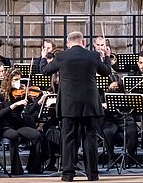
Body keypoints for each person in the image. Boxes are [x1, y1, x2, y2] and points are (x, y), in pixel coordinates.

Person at [40, 31, 111, 182]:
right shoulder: (93, 55)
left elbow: (44, 71)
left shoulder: (61, 56)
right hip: (89, 105)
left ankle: (68, 174)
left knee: (68, 139)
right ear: (83, 42)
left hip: (69, 105)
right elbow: (106, 72)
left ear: (68, 44)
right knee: (90, 139)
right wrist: (107, 57)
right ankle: (92, 174)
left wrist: (43, 57)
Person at [0, 68, 42, 175]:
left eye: (19, 80)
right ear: (8, 80)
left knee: (37, 135)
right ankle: (16, 169)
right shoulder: (0, 94)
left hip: (18, 124)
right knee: (14, 135)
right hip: (4, 126)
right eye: (15, 79)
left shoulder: (23, 93)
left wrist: (38, 102)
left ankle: (33, 167)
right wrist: (14, 105)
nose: (18, 82)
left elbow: (29, 111)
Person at [102, 74, 138, 168]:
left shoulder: (126, 94)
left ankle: (129, 160)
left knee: (133, 132)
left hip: (125, 119)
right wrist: (103, 106)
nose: (115, 89)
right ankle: (111, 159)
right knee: (107, 132)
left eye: (117, 87)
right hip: (110, 120)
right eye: (113, 87)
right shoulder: (102, 95)